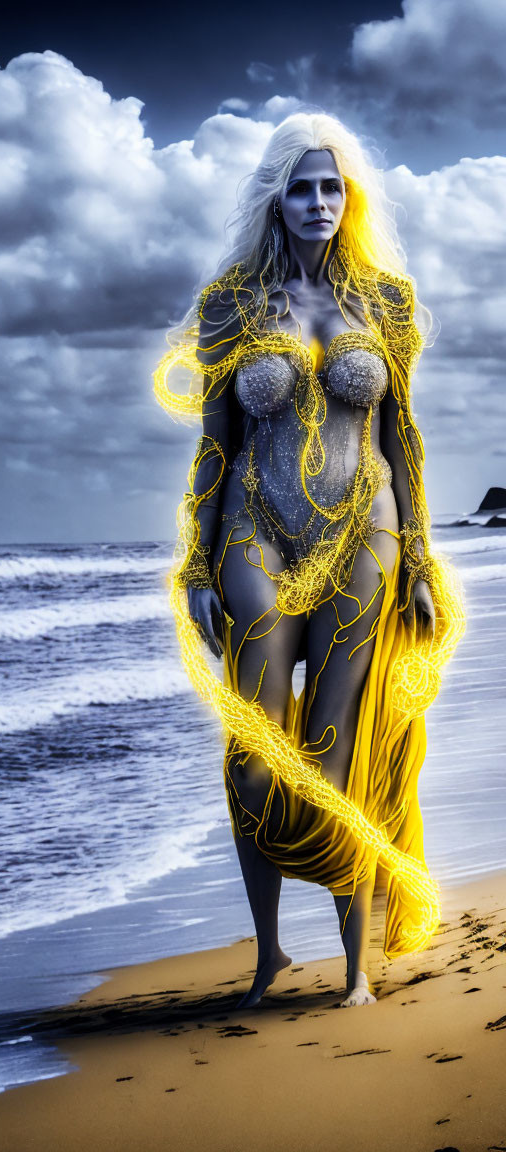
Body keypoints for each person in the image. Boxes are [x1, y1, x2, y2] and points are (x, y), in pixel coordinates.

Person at [153, 112, 464, 1009]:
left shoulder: (387, 301)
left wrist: (419, 565)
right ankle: (267, 956)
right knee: (255, 749)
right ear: (274, 197)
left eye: (332, 186)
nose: (319, 202)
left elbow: (402, 442)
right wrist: (197, 567)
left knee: (337, 750)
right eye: (301, 186)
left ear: (350, 195)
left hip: (364, 535)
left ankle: (357, 968)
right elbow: (215, 444)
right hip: (255, 529)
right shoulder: (230, 306)